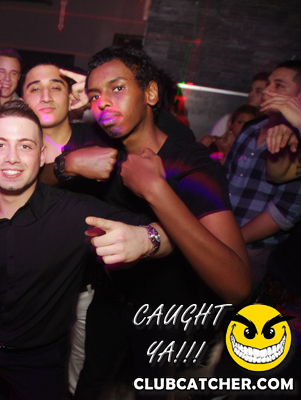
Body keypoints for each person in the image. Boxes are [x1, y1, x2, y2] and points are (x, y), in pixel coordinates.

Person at [0, 99, 174, 400]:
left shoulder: (76, 213)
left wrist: (147, 239)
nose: (12, 158)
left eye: (25, 146)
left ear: (41, 156)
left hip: (39, 360)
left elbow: (170, 234)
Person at [64, 46, 251, 399]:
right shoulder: (98, 150)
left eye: (117, 88)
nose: (102, 103)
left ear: (150, 94)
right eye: (94, 95)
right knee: (91, 382)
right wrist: (67, 164)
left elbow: (237, 285)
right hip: (109, 300)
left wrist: (155, 190)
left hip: (166, 315)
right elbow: (40, 175)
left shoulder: (191, 165)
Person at [21, 62, 114, 395]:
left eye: (56, 87)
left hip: (87, 284)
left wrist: (99, 97)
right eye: (35, 88)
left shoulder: (97, 139)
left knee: (82, 364)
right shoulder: (14, 145)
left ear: (72, 96)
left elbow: (157, 132)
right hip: (31, 284)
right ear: (21, 98)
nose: (46, 96)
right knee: (30, 365)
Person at [223, 60, 301, 289]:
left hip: (256, 251)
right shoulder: (252, 128)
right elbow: (224, 179)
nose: (267, 91)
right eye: (268, 84)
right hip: (218, 236)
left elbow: (285, 211)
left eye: (279, 85)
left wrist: (233, 239)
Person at [204, 72, 269, 138]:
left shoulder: (268, 126)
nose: (251, 94)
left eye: (258, 91)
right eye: (250, 90)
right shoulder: (229, 120)